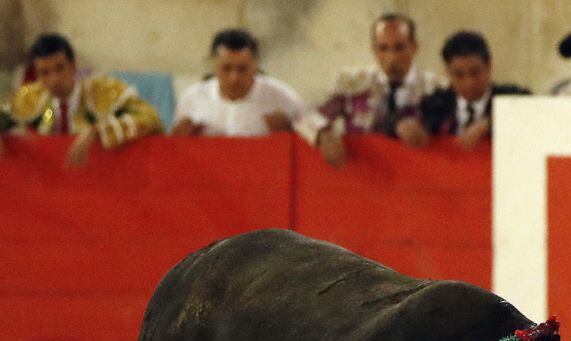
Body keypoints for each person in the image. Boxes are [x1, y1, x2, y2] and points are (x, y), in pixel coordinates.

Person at [296, 13, 444, 164]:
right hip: (364, 178)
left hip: (419, 177)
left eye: (399, 48)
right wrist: (323, 133)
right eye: (383, 48)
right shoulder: (352, 85)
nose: (391, 57)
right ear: (374, 50)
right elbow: (304, 115)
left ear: (414, 48)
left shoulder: (435, 88)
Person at [0, 33, 161, 166]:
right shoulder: (31, 97)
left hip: (103, 183)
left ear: (73, 65)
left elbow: (151, 119)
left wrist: (97, 131)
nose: (54, 79)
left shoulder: (102, 91)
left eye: (60, 68)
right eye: (44, 73)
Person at [409, 31, 529, 149]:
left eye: (475, 72)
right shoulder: (436, 104)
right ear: (447, 72)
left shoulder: (512, 97)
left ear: (489, 66)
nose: (469, 83)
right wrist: (400, 124)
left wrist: (490, 123)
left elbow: (535, 113)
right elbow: (397, 118)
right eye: (459, 75)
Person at [172, 29, 304, 137]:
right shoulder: (192, 98)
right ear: (213, 64)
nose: (233, 78)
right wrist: (180, 136)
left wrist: (287, 133)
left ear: (256, 64)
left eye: (242, 69)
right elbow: (174, 150)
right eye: (226, 68)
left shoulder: (283, 99)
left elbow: (305, 150)